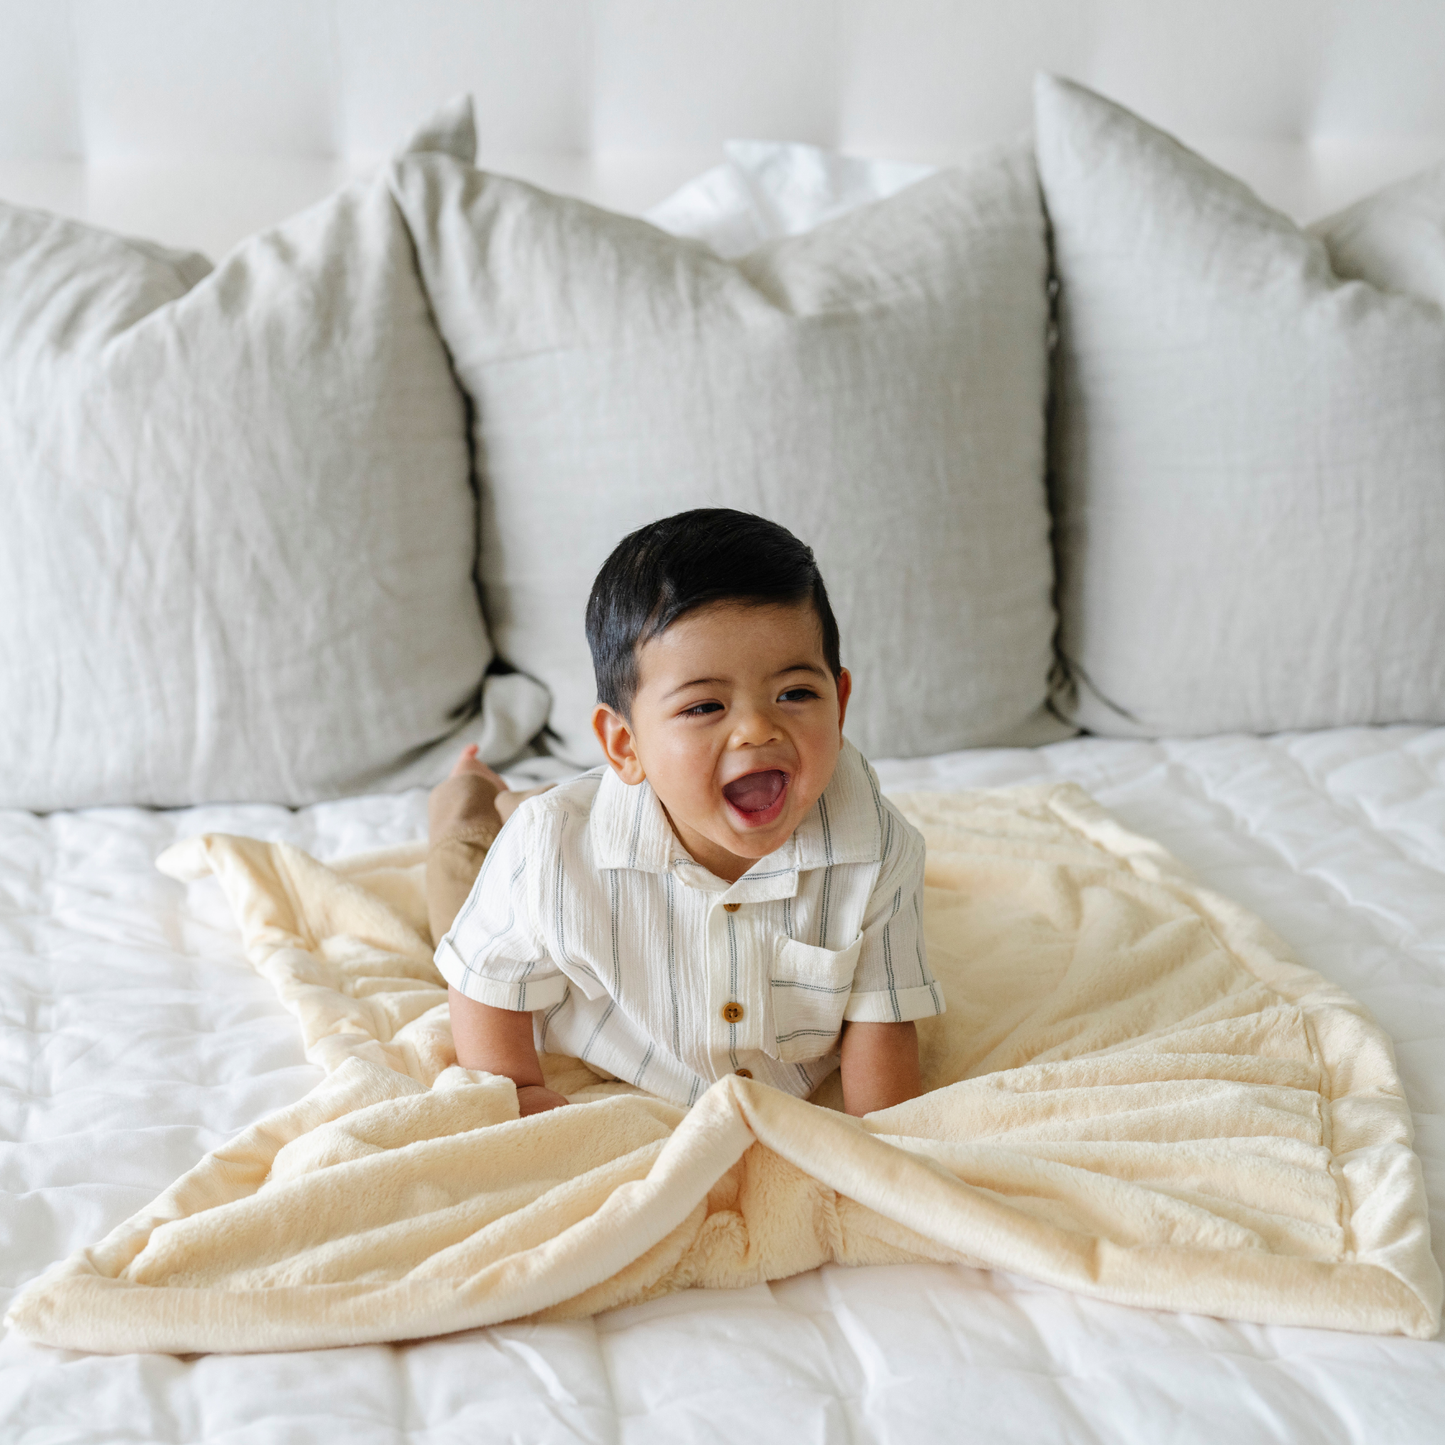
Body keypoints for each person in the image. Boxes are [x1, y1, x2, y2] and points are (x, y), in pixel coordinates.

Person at [430, 509, 944, 1118]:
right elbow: (485, 978)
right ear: (625, 744)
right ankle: (471, 789)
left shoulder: (879, 847)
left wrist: (884, 1143)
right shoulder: (550, 854)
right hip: (596, 1007)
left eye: (796, 694)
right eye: (705, 706)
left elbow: (881, 1025)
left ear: (840, 705)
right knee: (474, 862)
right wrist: (517, 1088)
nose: (757, 729)